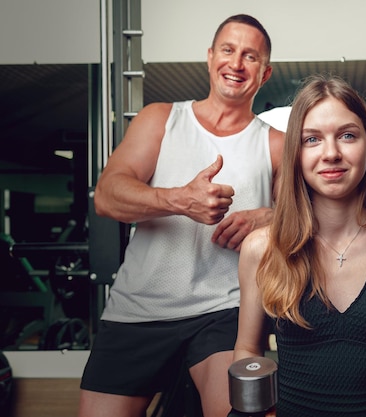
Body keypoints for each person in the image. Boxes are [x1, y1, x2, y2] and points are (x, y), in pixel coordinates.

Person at [78, 14, 284, 417]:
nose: (236, 64)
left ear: (265, 72)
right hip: (138, 309)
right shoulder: (161, 118)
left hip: (224, 312)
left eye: (250, 56)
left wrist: (268, 218)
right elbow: (107, 196)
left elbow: (310, 212)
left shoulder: (275, 144)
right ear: (210, 58)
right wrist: (179, 199)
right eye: (227, 50)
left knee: (244, 412)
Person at [232, 74, 366, 417]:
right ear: (296, 154)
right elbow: (247, 350)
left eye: (347, 136)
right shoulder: (260, 248)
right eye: (312, 139)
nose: (331, 153)